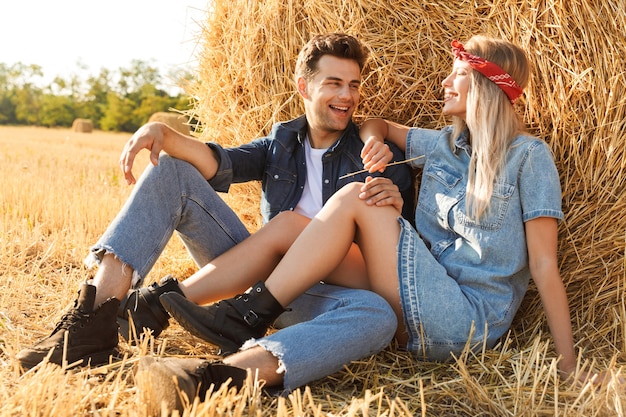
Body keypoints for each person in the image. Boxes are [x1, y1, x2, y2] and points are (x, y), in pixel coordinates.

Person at [137, 35, 582, 412]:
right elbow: (377, 123)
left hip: (464, 320)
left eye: (457, 74)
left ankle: (247, 314)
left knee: (356, 195)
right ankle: (168, 310)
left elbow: (544, 266)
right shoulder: (443, 144)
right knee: (295, 223)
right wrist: (373, 144)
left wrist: (569, 366)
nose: (444, 82)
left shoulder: (529, 157)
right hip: (418, 295)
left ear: (485, 84)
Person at [16, 33, 414, 369]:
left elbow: (400, 267)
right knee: (172, 170)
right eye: (334, 83)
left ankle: (166, 314)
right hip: (253, 276)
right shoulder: (279, 143)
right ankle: (92, 322)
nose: (347, 96)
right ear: (304, 86)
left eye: (354, 84)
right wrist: (163, 133)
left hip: (326, 296)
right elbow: (217, 162)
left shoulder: (377, 156)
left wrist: (390, 209)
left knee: (311, 247)